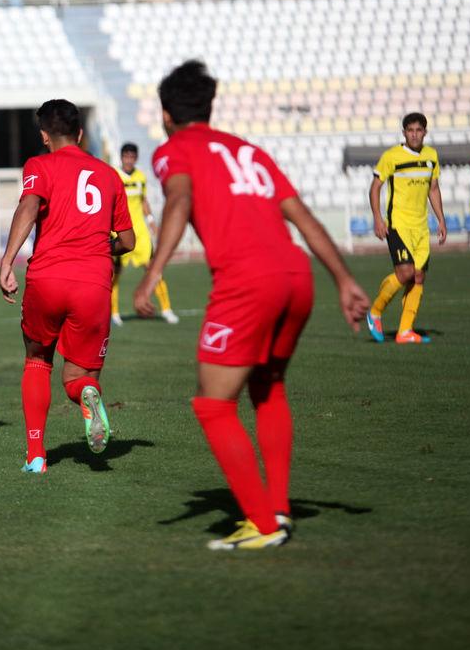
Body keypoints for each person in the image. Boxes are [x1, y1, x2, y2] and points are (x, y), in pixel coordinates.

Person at [132, 60, 369, 550]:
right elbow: (302, 216)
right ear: (209, 108)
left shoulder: (173, 150)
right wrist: (344, 279)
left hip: (247, 283)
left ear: (166, 114)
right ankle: (277, 509)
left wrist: (153, 273)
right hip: (296, 276)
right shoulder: (249, 150)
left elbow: (179, 201)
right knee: (268, 387)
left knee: (213, 405)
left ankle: (262, 525)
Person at [0, 99, 136, 473]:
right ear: (80, 133)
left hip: (47, 278)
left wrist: (7, 260)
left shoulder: (39, 165)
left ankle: (36, 456)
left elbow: (29, 207)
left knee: (37, 359)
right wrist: (98, 247)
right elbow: (128, 241)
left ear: (44, 135)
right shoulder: (109, 174)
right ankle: (87, 394)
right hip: (93, 283)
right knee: (78, 376)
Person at [366, 112, 446, 344]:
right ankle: (375, 312)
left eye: (418, 130)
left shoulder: (431, 156)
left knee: (418, 276)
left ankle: (404, 331)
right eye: (410, 130)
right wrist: (378, 218)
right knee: (406, 273)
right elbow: (375, 187)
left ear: (425, 132)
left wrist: (441, 219)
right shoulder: (391, 156)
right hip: (398, 224)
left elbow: (433, 189)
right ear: (404, 133)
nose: (414, 134)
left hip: (421, 227)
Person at [110, 142, 178, 326]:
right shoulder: (114, 176)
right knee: (116, 272)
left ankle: (166, 309)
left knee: (153, 268)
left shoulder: (140, 177)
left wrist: (150, 220)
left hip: (139, 231)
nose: (129, 161)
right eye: (126, 157)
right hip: (119, 230)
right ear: (121, 158)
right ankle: (114, 313)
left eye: (132, 157)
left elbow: (143, 200)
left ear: (136, 159)